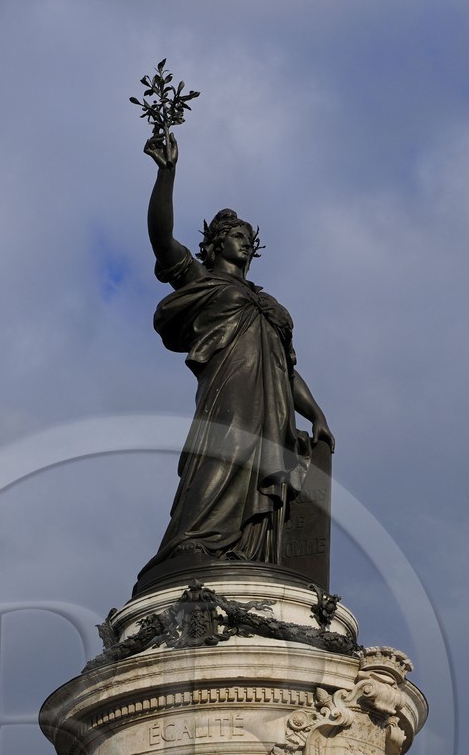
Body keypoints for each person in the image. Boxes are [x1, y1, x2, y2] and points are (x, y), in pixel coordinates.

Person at [136, 130, 334, 589]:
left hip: (273, 405)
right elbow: (161, 238)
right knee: (220, 455)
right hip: (230, 391)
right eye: (235, 237)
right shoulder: (201, 280)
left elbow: (287, 368)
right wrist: (167, 175)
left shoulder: (267, 304)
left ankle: (248, 552)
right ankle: (195, 541)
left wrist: (316, 412)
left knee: (263, 471)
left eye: (248, 238)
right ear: (215, 244)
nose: (244, 243)